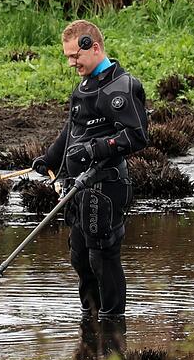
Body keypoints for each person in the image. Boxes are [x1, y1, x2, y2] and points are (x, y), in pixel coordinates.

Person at [32, 20, 148, 319]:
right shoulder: (85, 85)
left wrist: (95, 149)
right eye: (68, 57)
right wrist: (50, 158)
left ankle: (112, 324)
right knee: (80, 256)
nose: (71, 63)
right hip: (77, 187)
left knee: (102, 256)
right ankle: (90, 319)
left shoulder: (122, 87)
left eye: (75, 57)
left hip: (106, 186)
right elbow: (73, 129)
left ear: (94, 48)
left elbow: (137, 136)